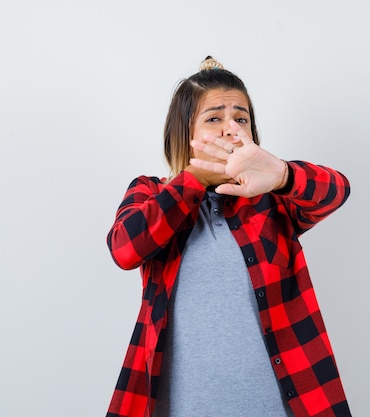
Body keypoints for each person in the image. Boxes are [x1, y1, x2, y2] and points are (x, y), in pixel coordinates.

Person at [105, 56, 352, 417]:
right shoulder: (151, 193)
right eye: (214, 118)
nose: (230, 129)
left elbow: (336, 191)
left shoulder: (270, 202)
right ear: (183, 131)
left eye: (241, 118)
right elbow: (125, 249)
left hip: (278, 404)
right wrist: (195, 180)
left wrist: (282, 175)